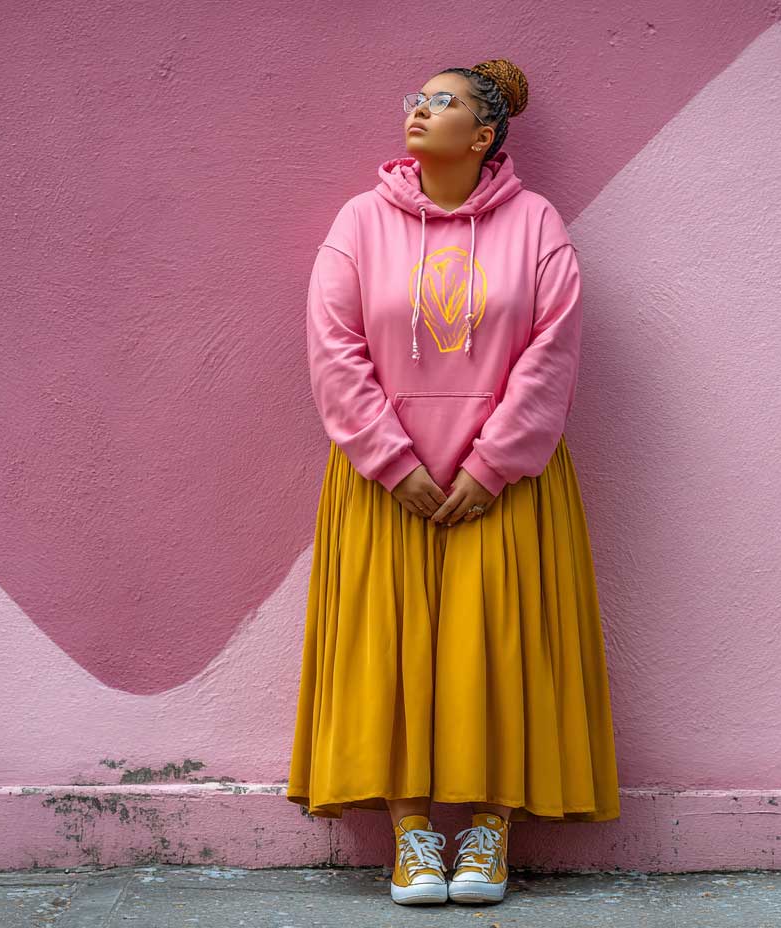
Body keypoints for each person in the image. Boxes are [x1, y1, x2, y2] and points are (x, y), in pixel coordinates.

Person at [286, 58, 620, 907]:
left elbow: (554, 349)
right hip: (382, 482)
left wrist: (492, 461)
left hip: (506, 484)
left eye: (443, 103)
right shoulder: (359, 223)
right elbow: (334, 346)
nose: (418, 111)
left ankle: (487, 833)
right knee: (392, 655)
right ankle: (411, 838)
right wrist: (393, 462)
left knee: (499, 647)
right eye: (416, 99)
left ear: (482, 134)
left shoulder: (536, 223)